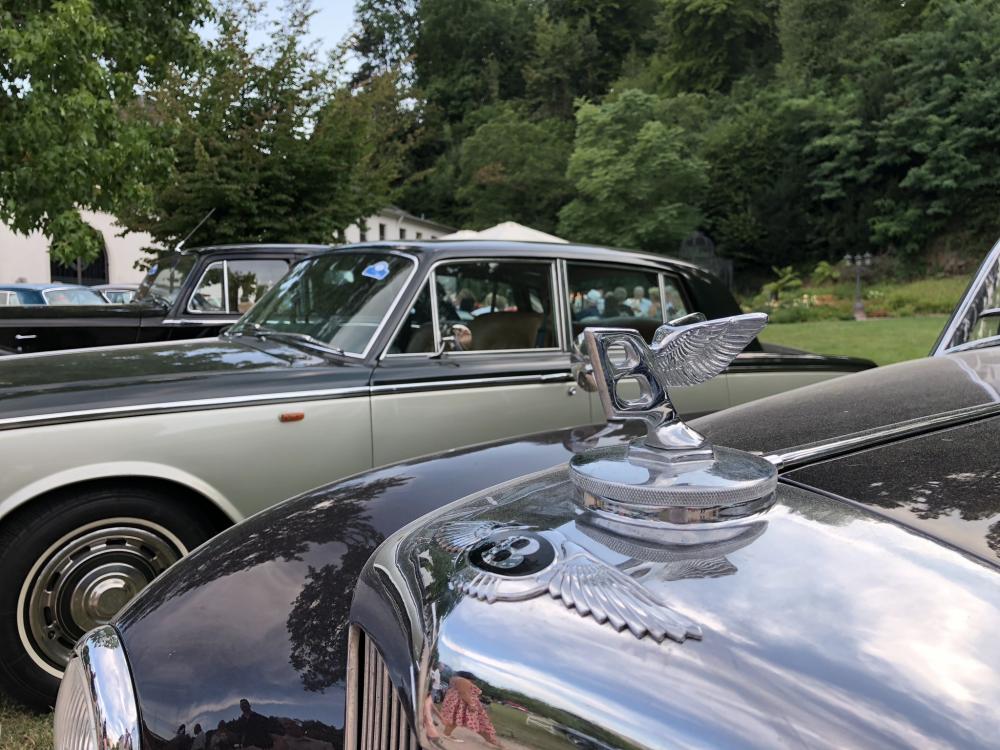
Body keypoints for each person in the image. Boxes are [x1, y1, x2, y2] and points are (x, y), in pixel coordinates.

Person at [439, 672, 500, 747]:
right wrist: (471, 704)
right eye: (473, 680)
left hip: (457, 701)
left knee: (454, 718)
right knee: (457, 719)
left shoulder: (455, 679)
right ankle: (446, 734)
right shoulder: (463, 681)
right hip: (461, 702)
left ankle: (447, 733)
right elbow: (464, 693)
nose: (473, 682)